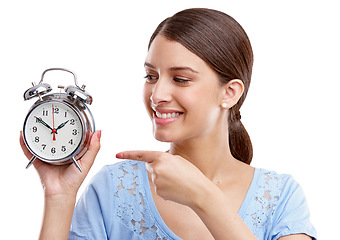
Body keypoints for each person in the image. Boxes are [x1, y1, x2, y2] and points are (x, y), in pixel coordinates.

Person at [20, 8, 317, 240]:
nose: (157, 94)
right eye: (151, 76)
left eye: (181, 79)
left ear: (230, 93)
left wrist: (204, 198)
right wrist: (59, 197)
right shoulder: (112, 189)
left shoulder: (282, 197)